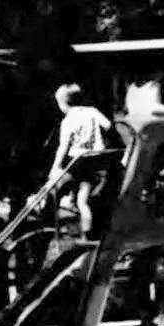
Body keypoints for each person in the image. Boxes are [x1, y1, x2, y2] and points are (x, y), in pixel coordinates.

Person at [48, 83, 116, 236]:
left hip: (78, 162)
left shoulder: (67, 121)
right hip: (96, 161)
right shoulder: (92, 111)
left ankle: (52, 224)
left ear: (63, 104)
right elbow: (108, 125)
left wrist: (55, 167)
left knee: (54, 189)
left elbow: (63, 147)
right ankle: (87, 233)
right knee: (82, 201)